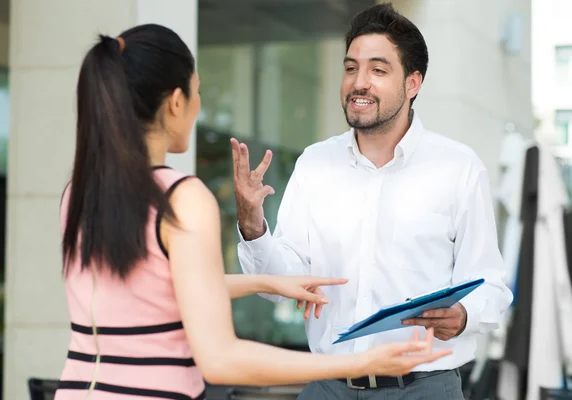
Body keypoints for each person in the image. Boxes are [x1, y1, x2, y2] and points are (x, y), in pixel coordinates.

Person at [53, 23, 450, 400]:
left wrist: (270, 284)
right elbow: (221, 359)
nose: (198, 105)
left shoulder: (80, 193)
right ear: (176, 102)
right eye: (197, 92)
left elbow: (153, 290)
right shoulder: (181, 198)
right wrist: (360, 361)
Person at [232, 3, 514, 399]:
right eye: (351, 68)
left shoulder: (458, 168)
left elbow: (492, 286)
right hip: (328, 385)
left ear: (413, 83)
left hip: (423, 388)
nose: (359, 82)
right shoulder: (315, 163)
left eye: (378, 70)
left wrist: (465, 315)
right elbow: (281, 284)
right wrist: (251, 223)